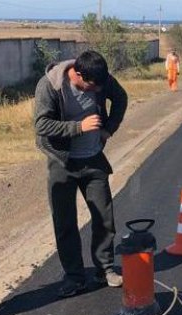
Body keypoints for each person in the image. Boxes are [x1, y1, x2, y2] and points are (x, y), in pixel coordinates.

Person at [34, 49, 128, 297]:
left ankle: (105, 269)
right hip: (62, 162)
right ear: (76, 72)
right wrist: (79, 127)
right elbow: (41, 125)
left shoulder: (101, 80)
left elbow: (120, 98)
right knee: (65, 223)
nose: (95, 92)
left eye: (99, 88)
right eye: (90, 87)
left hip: (93, 159)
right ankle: (74, 276)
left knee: (104, 218)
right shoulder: (50, 86)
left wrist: (109, 129)